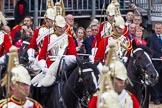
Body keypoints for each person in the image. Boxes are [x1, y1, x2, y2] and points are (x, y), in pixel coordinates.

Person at [88, 43, 140, 108]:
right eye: (119, 79)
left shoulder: (130, 97)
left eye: (124, 79)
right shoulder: (98, 97)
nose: (122, 82)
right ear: (110, 79)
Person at [31, 15, 77, 87]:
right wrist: (44, 67)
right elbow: (42, 56)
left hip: (63, 66)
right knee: (39, 85)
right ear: (55, 27)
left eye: (63, 27)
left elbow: (73, 55)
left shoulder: (69, 38)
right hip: (49, 67)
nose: (62, 29)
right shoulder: (48, 38)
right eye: (59, 27)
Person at [147, 23, 162, 105]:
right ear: (154, 28)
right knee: (156, 81)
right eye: (157, 28)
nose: (158, 30)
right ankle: (156, 98)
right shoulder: (150, 38)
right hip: (156, 62)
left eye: (160, 28)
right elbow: (150, 49)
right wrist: (159, 56)